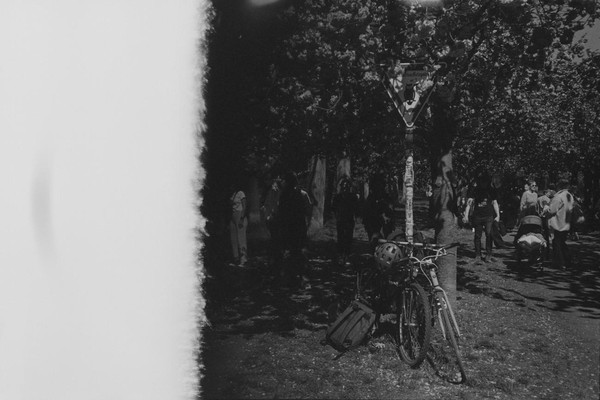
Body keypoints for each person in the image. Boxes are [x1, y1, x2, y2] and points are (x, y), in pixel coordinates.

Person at [277, 171, 311, 286]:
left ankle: (293, 278)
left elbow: (280, 212)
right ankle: (299, 278)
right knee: (298, 252)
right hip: (296, 227)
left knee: (292, 252)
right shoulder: (300, 194)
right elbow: (308, 211)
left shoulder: (285, 195)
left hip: (291, 227)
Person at [463, 173, 500, 263]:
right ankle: (478, 255)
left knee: (489, 234)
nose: (484, 183)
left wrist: (498, 215)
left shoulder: (491, 190)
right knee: (477, 236)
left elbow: (495, 203)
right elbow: (469, 203)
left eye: (485, 181)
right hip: (477, 216)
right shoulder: (475, 190)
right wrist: (466, 215)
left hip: (489, 216)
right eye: (482, 181)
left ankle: (488, 255)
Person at [546, 180, 575, 269]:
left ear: (559, 186)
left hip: (558, 223)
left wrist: (546, 208)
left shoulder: (559, 196)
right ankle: (567, 261)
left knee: (557, 243)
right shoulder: (569, 196)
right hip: (566, 222)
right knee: (562, 243)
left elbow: (552, 210)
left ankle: (560, 263)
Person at [363, 174, 395, 251]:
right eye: (376, 185)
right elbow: (367, 214)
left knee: (387, 237)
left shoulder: (386, 198)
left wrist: (388, 218)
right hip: (373, 222)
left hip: (385, 224)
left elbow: (390, 213)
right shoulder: (371, 199)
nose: (378, 187)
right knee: (374, 238)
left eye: (380, 185)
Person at [331, 178, 360, 265]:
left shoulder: (353, 197)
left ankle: (346, 256)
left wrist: (356, 216)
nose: (345, 189)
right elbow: (333, 208)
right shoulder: (337, 197)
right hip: (340, 219)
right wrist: (336, 216)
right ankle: (340, 256)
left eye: (346, 187)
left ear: (349, 188)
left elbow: (356, 208)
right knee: (340, 237)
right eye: (343, 187)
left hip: (349, 219)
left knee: (348, 238)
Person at [229, 185, 248, 267]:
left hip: (240, 215)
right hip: (233, 216)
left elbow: (244, 206)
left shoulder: (241, 193)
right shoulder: (233, 194)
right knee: (233, 238)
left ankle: (243, 260)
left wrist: (241, 218)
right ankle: (236, 259)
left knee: (241, 238)